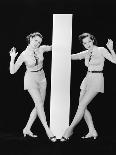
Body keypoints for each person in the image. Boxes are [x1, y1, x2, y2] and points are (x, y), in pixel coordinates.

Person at [60, 32, 116, 141]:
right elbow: (72, 57)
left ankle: (69, 130)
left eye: (89, 41)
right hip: (87, 79)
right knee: (82, 106)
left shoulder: (101, 50)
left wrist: (111, 49)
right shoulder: (86, 52)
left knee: (81, 106)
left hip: (97, 78)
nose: (88, 44)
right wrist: (59, 52)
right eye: (85, 43)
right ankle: (92, 130)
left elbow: (114, 60)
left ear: (93, 40)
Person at [9, 32, 56, 142]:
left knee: (39, 105)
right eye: (35, 40)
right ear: (30, 39)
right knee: (39, 104)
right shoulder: (24, 54)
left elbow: (53, 47)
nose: (37, 43)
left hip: (42, 78)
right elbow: (12, 71)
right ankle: (47, 129)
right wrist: (12, 58)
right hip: (31, 79)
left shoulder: (41, 49)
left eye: (39, 42)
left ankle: (27, 128)